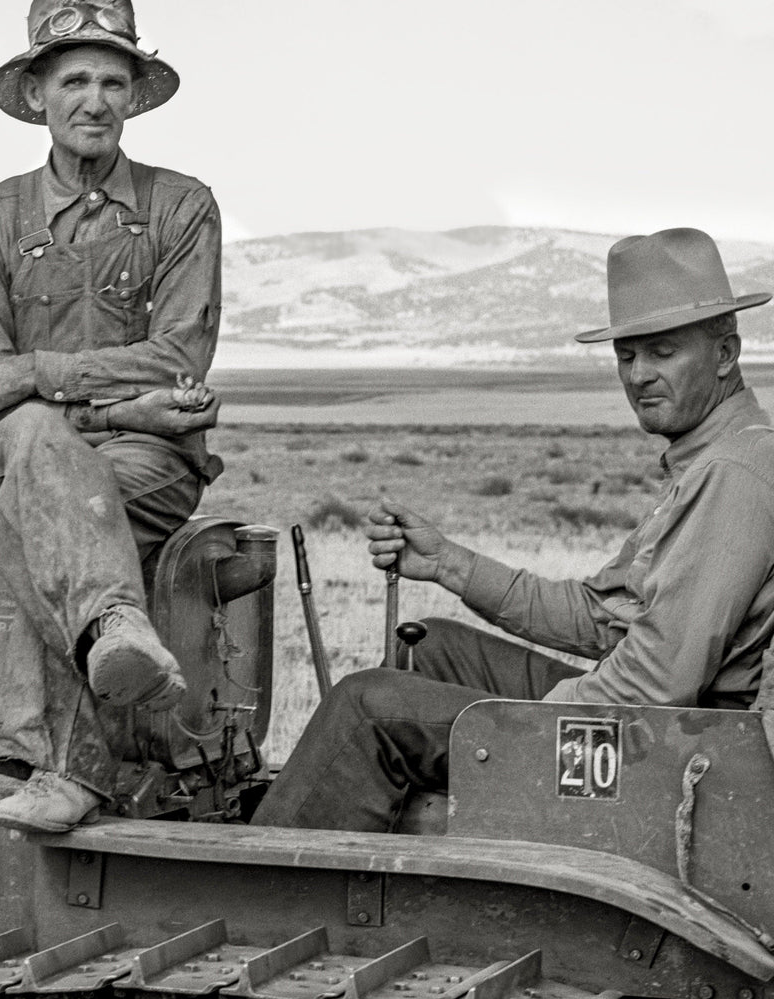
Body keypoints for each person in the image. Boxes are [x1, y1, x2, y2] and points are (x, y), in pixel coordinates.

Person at [254, 227, 774, 831]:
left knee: (366, 704)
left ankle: (262, 886)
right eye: (627, 355)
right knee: (430, 646)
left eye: (663, 353)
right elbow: (600, 617)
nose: (638, 377)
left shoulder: (733, 475)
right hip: (654, 728)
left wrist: (522, 723)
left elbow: (658, 684)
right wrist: (448, 563)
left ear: (726, 354)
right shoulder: (710, 460)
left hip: (670, 753)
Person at [0, 0, 223, 833]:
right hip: (34, 447)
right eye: (74, 80)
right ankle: (114, 629)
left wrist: (38, 378)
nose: (94, 101)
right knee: (32, 445)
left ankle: (43, 752)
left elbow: (177, 357)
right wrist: (119, 408)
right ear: (37, 96)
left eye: (112, 81)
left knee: (37, 502)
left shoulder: (184, 209)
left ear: (135, 95)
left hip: (150, 460)